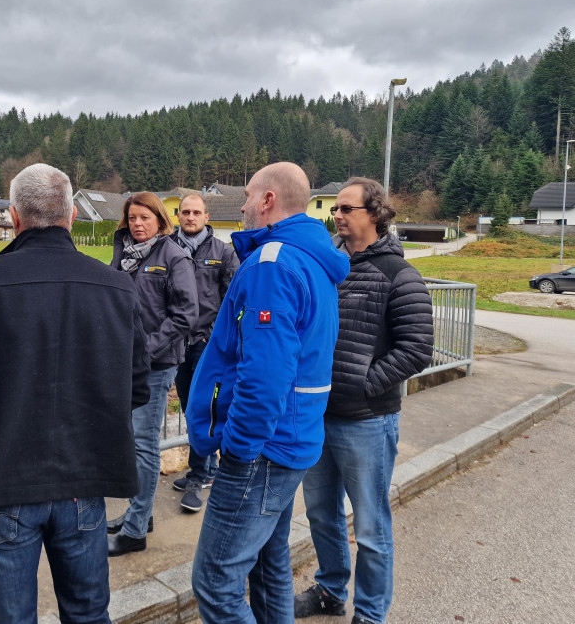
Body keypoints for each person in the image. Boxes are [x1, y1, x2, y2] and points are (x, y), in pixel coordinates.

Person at [0, 163, 150, 624]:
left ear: (15, 218)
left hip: (1, 477)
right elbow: (137, 384)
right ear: (73, 218)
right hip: (84, 478)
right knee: (87, 615)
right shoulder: (117, 286)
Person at [186, 162, 350, 624]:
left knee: (215, 583)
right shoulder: (311, 258)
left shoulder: (273, 264)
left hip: (262, 450)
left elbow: (265, 376)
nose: (240, 206)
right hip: (290, 441)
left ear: (268, 200)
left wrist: (238, 450)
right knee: (269, 566)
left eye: (247, 196)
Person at [294, 177, 433, 624]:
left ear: (375, 213)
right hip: (318, 416)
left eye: (347, 208)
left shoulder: (398, 274)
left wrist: (362, 382)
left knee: (371, 527)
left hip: (367, 421)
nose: (337, 215)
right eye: (336, 209)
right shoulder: (327, 266)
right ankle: (331, 591)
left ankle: (370, 613)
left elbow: (416, 349)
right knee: (321, 515)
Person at [106, 192, 198, 556]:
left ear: (160, 221)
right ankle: (139, 514)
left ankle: (134, 532)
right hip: (124, 361)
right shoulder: (123, 255)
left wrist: (146, 350)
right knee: (133, 442)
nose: (138, 224)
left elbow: (186, 313)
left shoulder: (173, 256)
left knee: (144, 445)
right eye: (132, 218)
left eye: (145, 217)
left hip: (156, 364)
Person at [169, 193, 239, 513]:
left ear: (206, 217)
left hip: (205, 343)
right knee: (187, 405)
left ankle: (198, 475)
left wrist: (216, 338)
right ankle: (208, 468)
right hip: (174, 342)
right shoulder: (166, 249)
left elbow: (234, 299)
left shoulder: (223, 253)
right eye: (186, 212)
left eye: (197, 212)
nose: (191, 217)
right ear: (178, 215)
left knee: (203, 408)